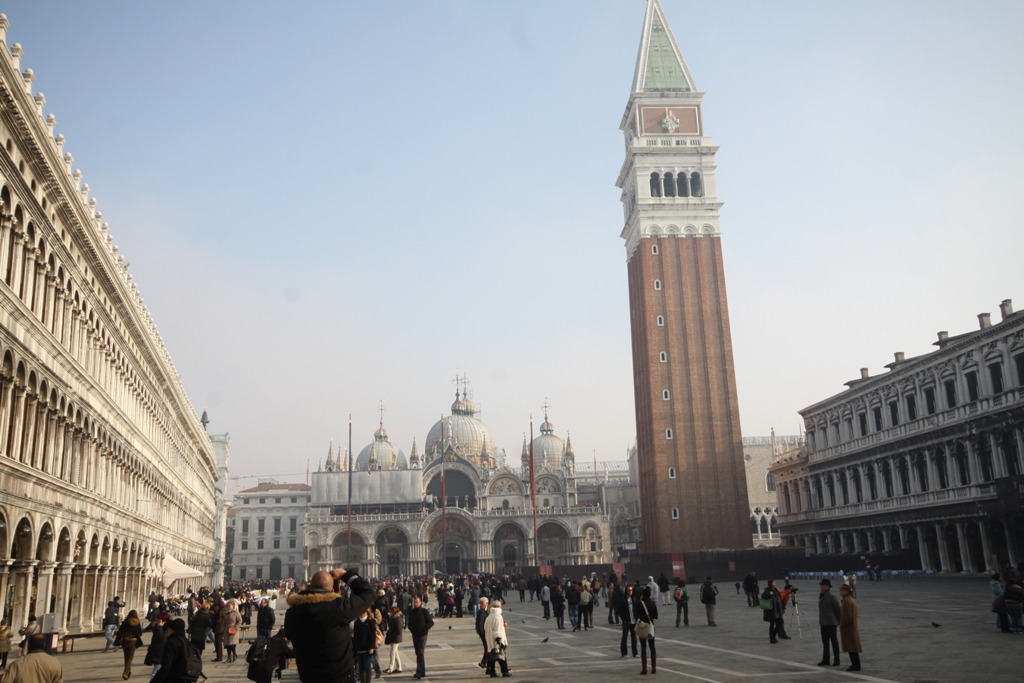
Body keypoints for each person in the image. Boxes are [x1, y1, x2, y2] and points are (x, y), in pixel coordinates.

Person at [285, 567, 376, 683]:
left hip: (309, 678)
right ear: (335, 590)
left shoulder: (292, 614)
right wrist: (346, 575)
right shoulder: (339, 609)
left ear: (308, 587)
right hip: (339, 678)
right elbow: (369, 594)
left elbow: (289, 634)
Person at [152, 618, 190, 683]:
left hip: (173, 677)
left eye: (169, 629)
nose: (168, 631)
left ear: (173, 630)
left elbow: (166, 666)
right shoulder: (187, 642)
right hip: (186, 676)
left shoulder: (171, 643)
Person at [407, 596, 434, 680]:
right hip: (415, 635)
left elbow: (431, 622)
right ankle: (422, 671)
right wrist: (411, 629)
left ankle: (418, 672)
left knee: (420, 652)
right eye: (414, 602)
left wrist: (424, 628)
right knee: (418, 653)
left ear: (420, 603)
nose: (415, 604)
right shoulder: (412, 612)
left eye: (416, 602)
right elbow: (409, 623)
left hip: (423, 635)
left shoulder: (424, 612)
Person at [484, 600, 511, 678]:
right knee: (501, 655)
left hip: (489, 639)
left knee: (492, 656)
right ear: (499, 607)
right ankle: (505, 671)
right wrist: (499, 640)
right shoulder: (498, 616)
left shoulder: (489, 616)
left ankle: (492, 672)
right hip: (496, 640)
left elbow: (485, 628)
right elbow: (498, 630)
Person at [817, 579, 841, 667]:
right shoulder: (821, 595)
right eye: (821, 585)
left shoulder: (831, 596)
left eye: (823, 585)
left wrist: (839, 621)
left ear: (827, 586)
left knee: (834, 641)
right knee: (825, 642)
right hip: (823, 622)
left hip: (831, 622)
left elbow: (838, 609)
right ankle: (826, 659)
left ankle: (837, 659)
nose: (821, 587)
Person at [837, 584, 861, 671]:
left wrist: (842, 624)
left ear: (847, 591)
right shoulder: (851, 600)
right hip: (852, 627)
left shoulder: (847, 601)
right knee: (853, 647)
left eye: (842, 590)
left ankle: (856, 665)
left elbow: (847, 617)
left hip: (849, 628)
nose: (840, 591)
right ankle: (855, 664)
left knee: (852, 647)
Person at [115, 609, 144, 680]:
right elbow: (139, 633)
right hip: (133, 642)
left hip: (125, 641)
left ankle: (128, 672)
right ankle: (126, 673)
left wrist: (119, 639)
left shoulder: (125, 622)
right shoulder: (137, 623)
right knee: (130, 658)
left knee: (126, 657)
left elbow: (120, 632)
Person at [636, 587, 658, 674]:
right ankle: (654, 668)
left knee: (643, 647)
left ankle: (644, 669)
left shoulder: (639, 603)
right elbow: (656, 615)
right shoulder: (652, 603)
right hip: (650, 626)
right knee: (652, 647)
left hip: (642, 626)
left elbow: (636, 614)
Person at [353, 608, 378, 683]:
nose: (362, 614)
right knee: (361, 667)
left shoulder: (370, 621)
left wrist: (372, 647)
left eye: (364, 612)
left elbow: (373, 636)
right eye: (361, 612)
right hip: (359, 648)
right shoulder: (357, 622)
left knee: (367, 667)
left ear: (367, 613)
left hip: (367, 648)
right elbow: (356, 635)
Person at [143, 612, 170, 681]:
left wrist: (159, 627)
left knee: (155, 673)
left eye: (159, 621)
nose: (157, 622)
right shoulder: (158, 628)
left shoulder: (165, 629)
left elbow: (161, 639)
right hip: (157, 653)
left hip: (161, 654)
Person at [617, 584, 638, 658]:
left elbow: (636, 609)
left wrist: (636, 617)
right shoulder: (623, 599)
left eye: (631, 590)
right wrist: (624, 619)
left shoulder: (634, 599)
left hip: (633, 621)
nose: (630, 592)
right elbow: (619, 611)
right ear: (626, 591)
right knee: (624, 637)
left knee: (634, 638)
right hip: (626, 621)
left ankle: (635, 652)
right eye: (629, 590)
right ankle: (624, 652)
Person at [384, 606, 404, 674]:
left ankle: (391, 668)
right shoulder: (393, 618)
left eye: (391, 611)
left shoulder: (398, 618)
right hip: (393, 637)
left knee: (392, 652)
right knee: (395, 653)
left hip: (396, 638)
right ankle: (399, 667)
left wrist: (392, 634)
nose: (389, 612)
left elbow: (398, 630)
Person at [475, 597, 490, 669]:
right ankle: (484, 663)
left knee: (488, 648)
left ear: (487, 604)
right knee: (487, 648)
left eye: (482, 603)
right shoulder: (480, 612)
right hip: (484, 634)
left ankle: (485, 663)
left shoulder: (489, 611)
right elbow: (479, 624)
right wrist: (481, 633)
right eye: (480, 603)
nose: (480, 605)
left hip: (487, 633)